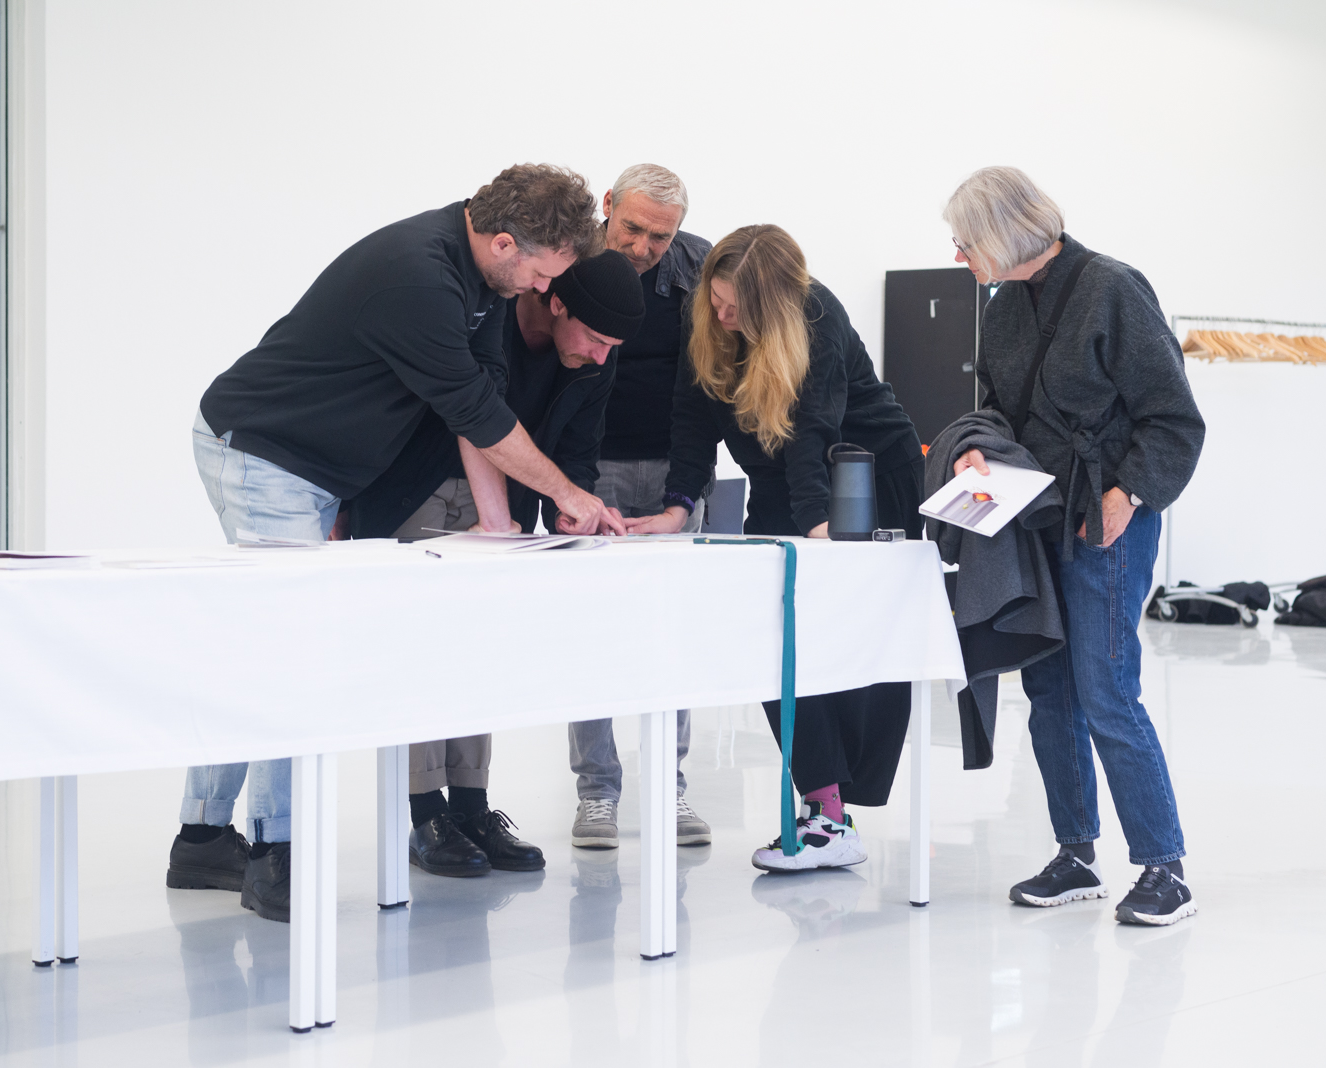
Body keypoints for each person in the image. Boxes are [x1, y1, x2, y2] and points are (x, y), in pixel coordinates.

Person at [166, 164, 613, 922]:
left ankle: (203, 838)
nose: (544, 289)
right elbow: (476, 412)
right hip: (265, 455)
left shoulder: (484, 279)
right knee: (291, 653)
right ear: (506, 243)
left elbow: (481, 402)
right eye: (543, 273)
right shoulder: (420, 278)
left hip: (311, 468)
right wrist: (568, 495)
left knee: (259, 646)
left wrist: (499, 527)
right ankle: (278, 855)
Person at [944, 166, 1205, 926]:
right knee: (1048, 690)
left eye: (965, 242)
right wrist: (977, 446)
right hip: (1034, 517)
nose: (958, 257)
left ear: (1001, 236)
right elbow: (997, 406)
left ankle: (1164, 867)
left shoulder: (1114, 288)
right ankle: (1076, 854)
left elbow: (1174, 418)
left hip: (1107, 519)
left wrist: (1128, 495)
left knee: (1105, 689)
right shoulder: (1001, 308)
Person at [626, 225, 924, 872]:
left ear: (771, 305)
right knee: (773, 638)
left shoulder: (817, 315)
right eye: (715, 300)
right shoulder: (707, 318)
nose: (721, 315)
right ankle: (826, 809)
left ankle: (831, 818)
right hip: (781, 480)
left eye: (735, 307)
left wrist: (817, 529)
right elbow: (690, 416)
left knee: (848, 641)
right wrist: (677, 505)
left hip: (864, 476)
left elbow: (814, 429)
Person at [351, 249, 646, 877]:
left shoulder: (597, 355)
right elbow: (461, 413)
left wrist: (573, 506)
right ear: (556, 302)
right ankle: (425, 814)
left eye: (611, 347)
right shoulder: (489, 318)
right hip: (417, 486)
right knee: (422, 649)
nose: (601, 357)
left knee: (474, 649)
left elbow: (580, 446)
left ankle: (471, 807)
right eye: (595, 341)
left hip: (503, 505)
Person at [567, 164, 715, 851]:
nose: (643, 247)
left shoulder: (700, 269)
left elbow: (705, 393)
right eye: (631, 229)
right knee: (592, 633)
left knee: (672, 633)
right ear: (607, 207)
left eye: (661, 236)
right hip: (586, 470)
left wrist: (686, 493)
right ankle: (596, 792)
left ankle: (669, 787)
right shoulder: (571, 258)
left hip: (672, 474)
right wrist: (565, 486)